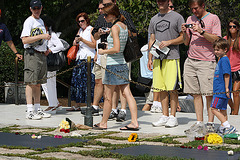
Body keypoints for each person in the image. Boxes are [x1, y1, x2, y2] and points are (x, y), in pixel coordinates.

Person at [93, 3, 139, 131]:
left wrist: (103, 51)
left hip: (113, 65)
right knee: (127, 94)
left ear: (113, 15)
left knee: (108, 97)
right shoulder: (124, 26)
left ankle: (103, 123)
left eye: (106, 14)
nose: (104, 17)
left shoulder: (114, 28)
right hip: (122, 64)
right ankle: (134, 122)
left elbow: (117, 49)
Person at [182, 0, 221, 133]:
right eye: (192, 9)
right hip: (191, 60)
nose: (194, 11)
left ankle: (210, 123)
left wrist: (202, 31)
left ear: (203, 6)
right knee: (195, 94)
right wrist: (183, 32)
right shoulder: (190, 18)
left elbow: (217, 40)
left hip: (207, 61)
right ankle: (199, 122)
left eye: (196, 8)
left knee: (209, 94)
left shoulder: (213, 18)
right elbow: (186, 42)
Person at [147, 0, 184, 128]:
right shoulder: (154, 19)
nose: (160, 3)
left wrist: (169, 42)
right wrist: (149, 57)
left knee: (172, 88)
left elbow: (183, 38)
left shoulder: (177, 17)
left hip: (172, 57)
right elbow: (151, 38)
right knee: (160, 87)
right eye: (158, 1)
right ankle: (164, 115)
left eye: (163, 1)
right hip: (157, 57)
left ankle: (173, 116)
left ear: (168, 2)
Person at [21, 0, 51, 120]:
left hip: (41, 54)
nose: (37, 10)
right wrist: (42, 36)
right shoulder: (29, 21)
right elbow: (25, 40)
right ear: (31, 9)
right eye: (34, 8)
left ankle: (38, 108)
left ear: (42, 8)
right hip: (32, 54)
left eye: (38, 8)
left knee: (38, 83)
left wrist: (46, 47)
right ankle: (30, 110)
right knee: (30, 82)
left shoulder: (40, 21)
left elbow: (40, 39)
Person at [67, 12, 96, 112]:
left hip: (89, 59)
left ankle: (93, 104)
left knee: (90, 82)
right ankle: (77, 104)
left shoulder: (91, 30)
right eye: (79, 22)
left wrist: (83, 40)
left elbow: (94, 45)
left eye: (82, 21)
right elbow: (74, 43)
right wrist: (76, 41)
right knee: (76, 82)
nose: (80, 23)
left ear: (86, 20)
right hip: (79, 58)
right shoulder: (80, 30)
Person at [211, 38, 236, 135]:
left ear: (225, 49)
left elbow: (227, 74)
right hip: (219, 89)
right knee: (223, 110)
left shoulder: (224, 60)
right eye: (215, 50)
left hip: (220, 90)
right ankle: (223, 127)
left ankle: (227, 126)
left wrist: (226, 88)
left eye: (218, 50)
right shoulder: (221, 59)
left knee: (213, 108)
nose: (215, 52)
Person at [41, 15, 65, 114]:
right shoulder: (47, 33)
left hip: (50, 61)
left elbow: (61, 45)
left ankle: (52, 105)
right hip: (48, 62)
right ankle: (55, 103)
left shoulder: (51, 34)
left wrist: (50, 50)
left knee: (47, 83)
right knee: (49, 83)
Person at [224, 19, 240, 115]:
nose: (232, 28)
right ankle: (233, 108)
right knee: (226, 92)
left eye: (234, 26)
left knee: (235, 92)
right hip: (227, 69)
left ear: (237, 28)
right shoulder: (225, 39)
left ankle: (235, 114)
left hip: (238, 68)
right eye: (230, 26)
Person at [92, 0, 105, 114]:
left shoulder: (116, 18)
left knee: (109, 83)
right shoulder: (99, 20)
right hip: (99, 54)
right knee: (98, 80)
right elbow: (95, 37)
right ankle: (95, 106)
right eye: (99, 8)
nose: (100, 10)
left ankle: (110, 107)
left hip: (109, 53)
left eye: (102, 8)